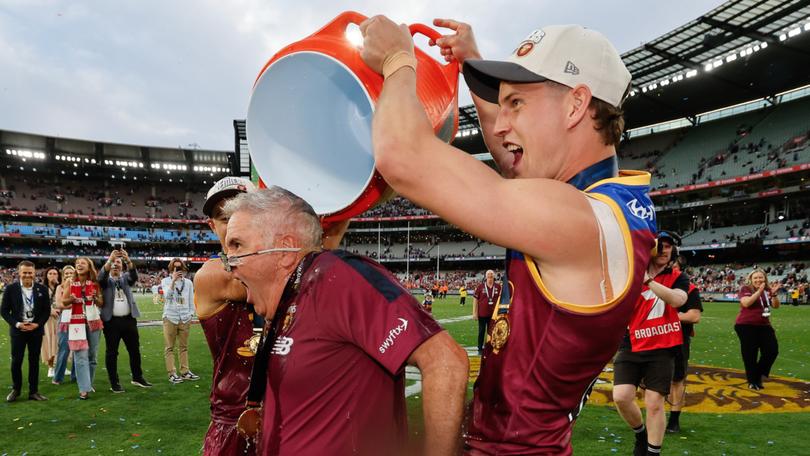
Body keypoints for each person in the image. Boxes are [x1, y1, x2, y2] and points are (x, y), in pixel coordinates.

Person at [360, 17, 655, 454]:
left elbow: (402, 157)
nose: (500, 125)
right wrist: (472, 63)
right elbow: (513, 163)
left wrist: (398, 60)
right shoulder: (601, 204)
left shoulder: (579, 220)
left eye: (516, 104)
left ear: (576, 106)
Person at [223, 187, 469, 456]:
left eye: (237, 246)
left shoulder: (335, 278)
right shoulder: (288, 299)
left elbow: (445, 360)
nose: (229, 263)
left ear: (285, 251)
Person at [194, 176, 351, 456]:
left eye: (239, 213)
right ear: (211, 226)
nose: (231, 223)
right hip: (235, 420)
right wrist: (326, 238)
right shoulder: (211, 275)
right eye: (222, 217)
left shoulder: (291, 263)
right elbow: (283, 276)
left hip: (292, 414)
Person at [613, 232, 688, 456]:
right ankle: (640, 433)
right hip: (632, 342)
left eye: (669, 247)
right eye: (660, 246)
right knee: (621, 396)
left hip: (662, 346)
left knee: (655, 403)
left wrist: (647, 280)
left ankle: (653, 452)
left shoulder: (677, 277)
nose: (665, 250)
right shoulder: (629, 275)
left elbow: (678, 300)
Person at [98, 249, 152, 392]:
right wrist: (110, 260)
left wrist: (127, 260)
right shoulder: (105, 281)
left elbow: (133, 274)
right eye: (113, 263)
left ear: (122, 266)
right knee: (112, 353)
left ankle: (137, 377)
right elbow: (101, 276)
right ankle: (114, 382)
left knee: (134, 350)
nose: (115, 265)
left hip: (129, 320)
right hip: (111, 322)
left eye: (118, 263)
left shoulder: (126, 278)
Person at [1, 260, 51, 401]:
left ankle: (33, 391)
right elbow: (4, 311)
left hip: (35, 331)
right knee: (16, 361)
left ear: (35, 273)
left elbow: (46, 311)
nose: (27, 275)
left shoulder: (42, 289)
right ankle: (16, 389)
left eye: (30, 272)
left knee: (34, 361)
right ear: (19, 273)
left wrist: (38, 324)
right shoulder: (11, 289)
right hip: (18, 331)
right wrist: (17, 324)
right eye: (25, 272)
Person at [62, 257, 104, 399]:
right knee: (80, 356)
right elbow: (64, 301)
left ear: (89, 266)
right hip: (76, 323)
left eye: (82, 263)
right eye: (77, 263)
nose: (79, 265)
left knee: (92, 356)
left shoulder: (95, 283)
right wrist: (72, 299)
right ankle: (83, 389)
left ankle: (88, 383)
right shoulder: (70, 282)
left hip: (93, 322)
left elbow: (101, 302)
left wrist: (95, 298)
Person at [666, 281, 703, 433]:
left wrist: (667, 318)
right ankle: (653, 415)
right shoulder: (649, 283)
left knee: (677, 380)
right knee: (646, 379)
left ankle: (674, 421)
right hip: (649, 338)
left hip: (678, 339)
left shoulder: (690, 288)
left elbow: (694, 316)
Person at [735, 269, 780, 390]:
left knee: (772, 350)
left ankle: (757, 375)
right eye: (755, 278)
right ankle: (752, 381)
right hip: (746, 325)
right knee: (750, 354)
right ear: (751, 279)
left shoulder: (767, 290)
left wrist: (774, 294)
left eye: (761, 277)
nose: (758, 280)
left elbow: (776, 306)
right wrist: (759, 291)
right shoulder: (746, 289)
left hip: (764, 325)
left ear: (765, 278)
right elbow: (746, 303)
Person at [160, 258, 199, 384]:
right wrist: (173, 281)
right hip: (170, 317)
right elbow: (167, 297)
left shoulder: (188, 283)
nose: (178, 270)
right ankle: (172, 374)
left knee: (184, 347)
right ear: (171, 269)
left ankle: (185, 372)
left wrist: (191, 314)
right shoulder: (165, 281)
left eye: (180, 268)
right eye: (175, 268)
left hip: (185, 318)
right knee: (169, 347)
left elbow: (191, 300)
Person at [52, 265, 76, 385]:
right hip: (65, 320)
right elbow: (59, 305)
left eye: (71, 273)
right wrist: (74, 304)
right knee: (63, 349)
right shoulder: (59, 287)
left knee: (78, 348)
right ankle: (58, 377)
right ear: (63, 275)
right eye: (66, 273)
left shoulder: (79, 285)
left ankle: (75, 376)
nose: (68, 275)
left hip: (78, 319)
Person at [472, 270, 501, 354]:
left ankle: (490, 347)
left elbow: (500, 300)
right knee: (481, 331)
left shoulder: (498, 287)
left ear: (494, 276)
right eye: (488, 274)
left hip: (493, 314)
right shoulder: (480, 287)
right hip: (482, 314)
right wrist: (474, 313)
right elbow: (475, 300)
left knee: (491, 332)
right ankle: (480, 348)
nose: (490, 276)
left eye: (491, 274)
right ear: (486, 276)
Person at [41, 266, 61, 378]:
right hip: (48, 320)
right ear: (46, 276)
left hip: (60, 318)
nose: (53, 275)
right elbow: (39, 305)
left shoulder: (60, 287)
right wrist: (50, 311)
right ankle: (50, 367)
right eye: (50, 273)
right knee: (49, 342)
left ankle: (59, 365)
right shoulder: (42, 288)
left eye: (55, 273)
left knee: (60, 342)